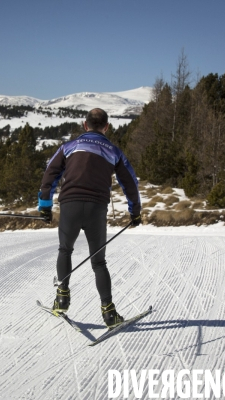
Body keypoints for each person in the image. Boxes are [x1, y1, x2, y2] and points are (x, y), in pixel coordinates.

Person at [38, 108, 142, 328]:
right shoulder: (114, 151)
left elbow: (50, 174)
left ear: (85, 125)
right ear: (106, 127)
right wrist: (135, 212)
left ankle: (62, 298)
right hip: (97, 209)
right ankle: (109, 313)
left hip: (71, 205)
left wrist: (45, 206)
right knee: (99, 262)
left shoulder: (69, 147)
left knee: (65, 250)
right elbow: (130, 183)